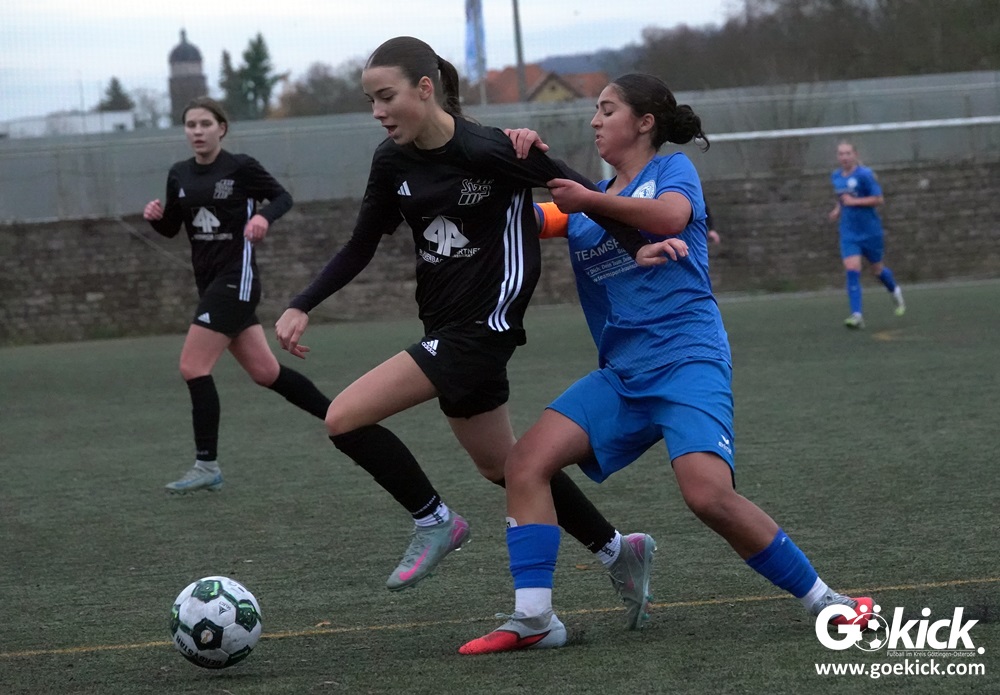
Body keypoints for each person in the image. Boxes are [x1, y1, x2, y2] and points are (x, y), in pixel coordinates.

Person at [460, 74, 874, 655]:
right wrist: (500, 157)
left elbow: (669, 218)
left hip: (687, 361)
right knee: (524, 463)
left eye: (607, 110)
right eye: (595, 111)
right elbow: (517, 223)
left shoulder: (672, 172)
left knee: (707, 495)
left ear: (645, 122)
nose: (595, 120)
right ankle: (535, 619)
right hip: (622, 375)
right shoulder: (583, 203)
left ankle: (826, 601)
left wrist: (587, 200)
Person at [274, 37, 659, 624]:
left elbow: (584, 194)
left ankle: (435, 521)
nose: (377, 111)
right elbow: (360, 244)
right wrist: (303, 303)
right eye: (370, 100)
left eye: (386, 97)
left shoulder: (492, 149)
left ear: (424, 88)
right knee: (506, 467)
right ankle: (618, 551)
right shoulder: (391, 160)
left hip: (484, 329)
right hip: (444, 325)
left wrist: (643, 244)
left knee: (343, 418)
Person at [143, 96, 332, 493]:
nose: (197, 131)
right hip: (210, 284)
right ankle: (342, 416)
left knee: (193, 366)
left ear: (222, 128)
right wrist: (156, 218)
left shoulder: (241, 167)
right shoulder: (179, 174)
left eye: (205, 124)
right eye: (191, 125)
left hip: (237, 281)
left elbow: (282, 198)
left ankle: (206, 465)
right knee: (266, 373)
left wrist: (263, 216)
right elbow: (172, 228)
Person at [828, 141, 905, 329]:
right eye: (841, 154)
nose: (844, 157)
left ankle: (894, 290)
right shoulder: (836, 176)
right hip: (849, 232)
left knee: (877, 270)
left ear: (855, 155)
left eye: (848, 153)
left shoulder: (865, 175)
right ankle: (857, 315)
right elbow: (842, 198)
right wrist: (838, 209)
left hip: (870, 232)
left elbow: (879, 199)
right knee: (852, 269)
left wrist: (854, 202)